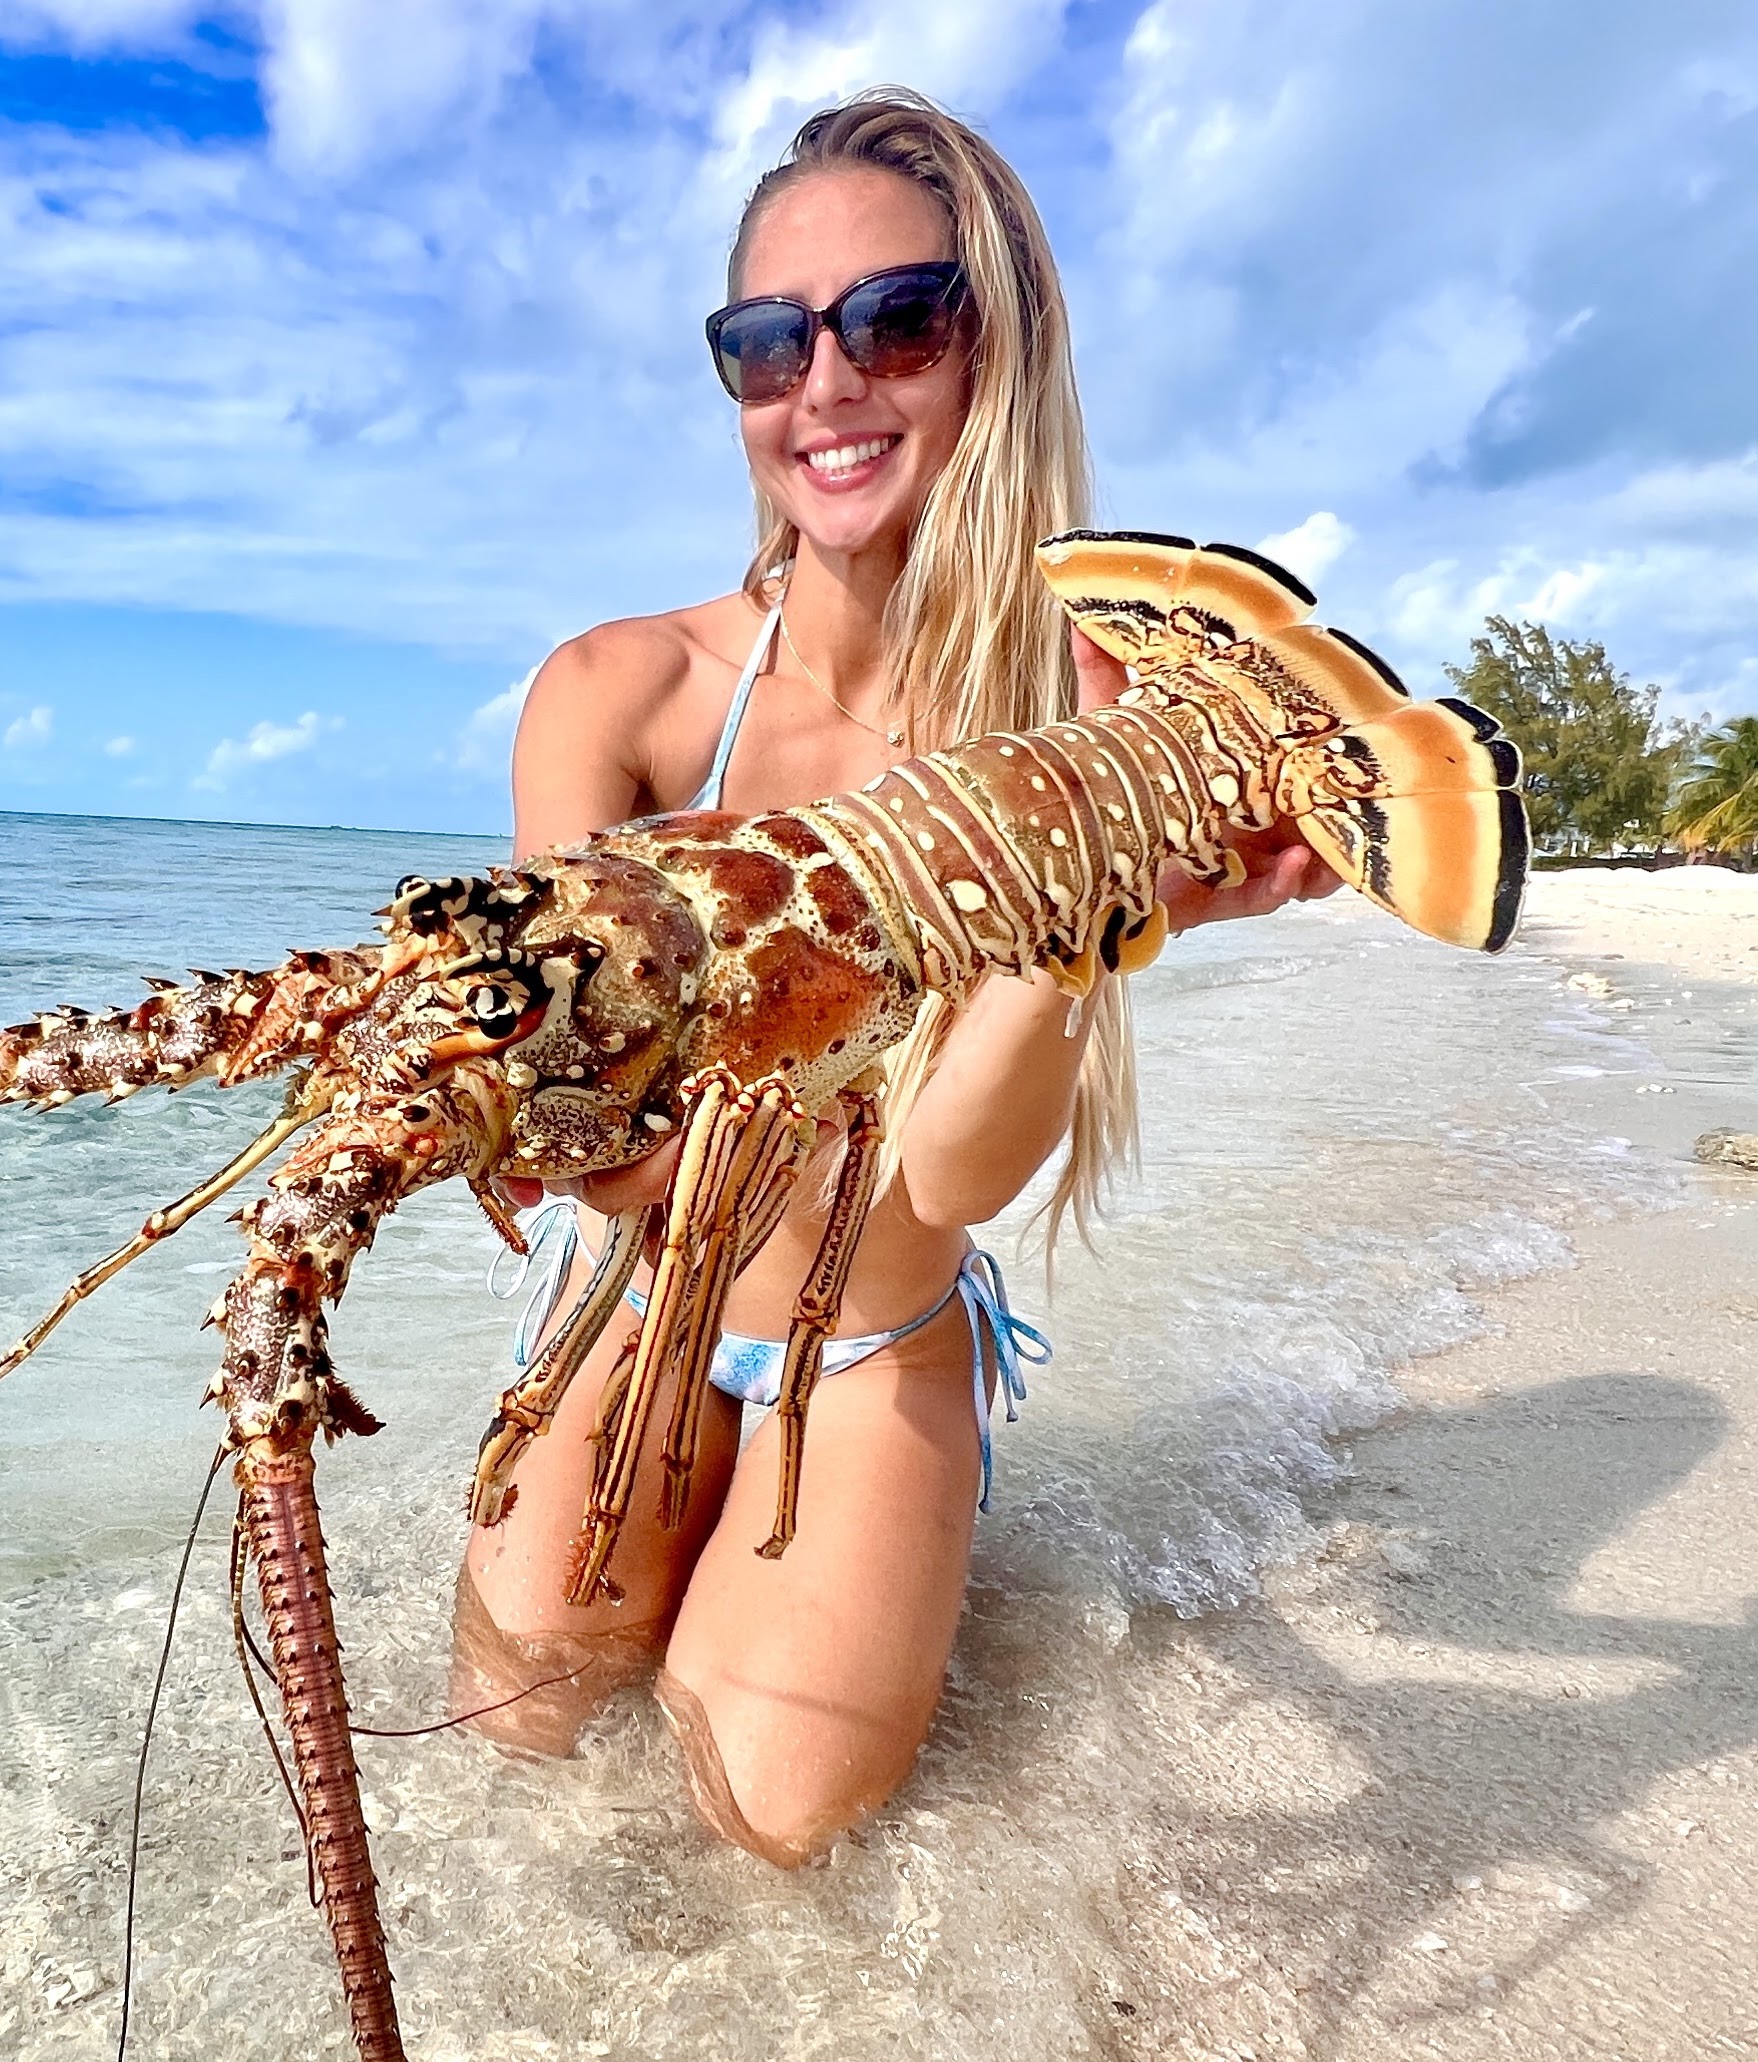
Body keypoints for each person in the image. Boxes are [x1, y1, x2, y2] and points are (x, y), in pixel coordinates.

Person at [451, 89, 1338, 1866]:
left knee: (769, 1835)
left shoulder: (1092, 720)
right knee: (516, 1738)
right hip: (639, 1286)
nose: (827, 385)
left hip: (879, 1322)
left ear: (993, 342)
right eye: (767, 341)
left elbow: (946, 1180)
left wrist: (1098, 916)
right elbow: (593, 1147)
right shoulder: (615, 695)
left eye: (895, 319)